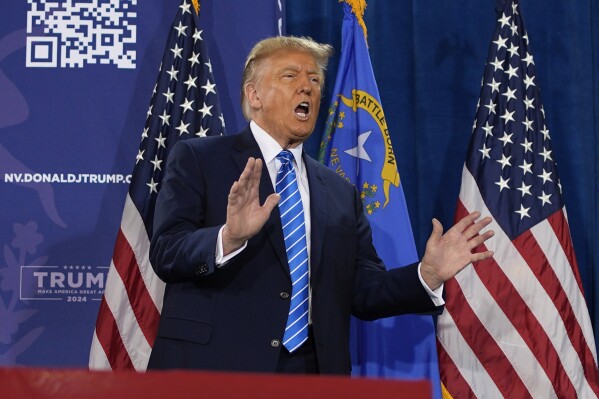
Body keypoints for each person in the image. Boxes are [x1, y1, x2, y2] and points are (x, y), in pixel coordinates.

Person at [147, 36, 494, 374]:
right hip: (217, 369)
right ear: (254, 95)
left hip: (313, 372)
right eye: (290, 76)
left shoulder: (340, 192)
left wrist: (427, 275)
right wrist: (228, 238)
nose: (307, 87)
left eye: (314, 79)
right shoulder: (199, 158)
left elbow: (363, 290)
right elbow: (166, 251)